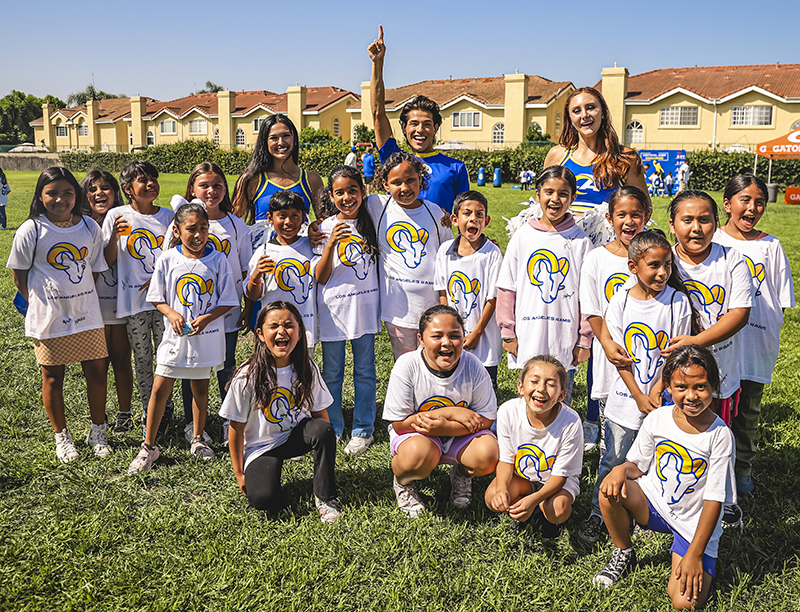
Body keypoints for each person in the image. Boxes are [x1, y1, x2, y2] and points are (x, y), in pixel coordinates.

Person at [593, 345, 735, 611]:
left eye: (700, 387)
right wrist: (620, 470)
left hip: (693, 523)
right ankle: (624, 551)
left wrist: (693, 554)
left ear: (714, 386)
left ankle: (690, 552)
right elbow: (637, 465)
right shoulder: (657, 419)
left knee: (684, 603)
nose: (691, 396)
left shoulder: (720, 435)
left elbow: (715, 501)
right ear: (668, 386)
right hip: (654, 504)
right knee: (609, 490)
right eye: (681, 387)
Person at [579, 229, 697, 544]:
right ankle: (598, 513)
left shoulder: (677, 303)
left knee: (657, 459)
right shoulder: (619, 302)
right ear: (634, 267)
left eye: (667, 266)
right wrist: (638, 394)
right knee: (613, 458)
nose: (662, 273)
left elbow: (678, 356)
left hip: (662, 401)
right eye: (654, 265)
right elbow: (618, 357)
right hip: (624, 399)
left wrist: (657, 389)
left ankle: (650, 511)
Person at [7, 167, 109, 462]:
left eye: (67, 192)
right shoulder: (32, 230)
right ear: (40, 196)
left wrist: (79, 299)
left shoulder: (89, 227)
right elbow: (19, 277)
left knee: (98, 373)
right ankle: (62, 437)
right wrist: (45, 304)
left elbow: (95, 269)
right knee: (53, 378)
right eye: (52, 193)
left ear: (76, 195)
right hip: (50, 319)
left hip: (87, 315)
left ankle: (97, 431)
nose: (61, 199)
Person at [127, 202, 239, 473]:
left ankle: (198, 439)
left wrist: (208, 318)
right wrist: (172, 314)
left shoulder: (217, 260)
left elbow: (228, 300)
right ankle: (149, 446)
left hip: (206, 338)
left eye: (204, 228)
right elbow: (157, 297)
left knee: (200, 389)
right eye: (192, 229)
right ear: (176, 230)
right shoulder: (168, 259)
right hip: (175, 340)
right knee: (160, 389)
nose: (199, 234)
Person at [665, 189, 753, 529]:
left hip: (721, 372)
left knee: (718, 435)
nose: (696, 228)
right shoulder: (663, 261)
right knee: (678, 434)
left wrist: (696, 342)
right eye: (687, 220)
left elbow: (739, 314)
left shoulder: (732, 260)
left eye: (704, 220)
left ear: (717, 224)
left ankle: (725, 500)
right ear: (673, 225)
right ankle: (677, 495)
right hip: (671, 374)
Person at [220, 301, 341, 523]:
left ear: (300, 333)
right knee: (264, 501)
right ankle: (267, 477)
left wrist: (325, 449)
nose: (281, 331)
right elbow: (235, 428)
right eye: (273, 326)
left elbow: (321, 415)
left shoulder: (307, 367)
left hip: (295, 435)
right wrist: (239, 474)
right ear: (260, 333)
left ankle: (325, 498)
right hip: (262, 446)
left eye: (288, 325)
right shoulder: (248, 375)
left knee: (323, 429)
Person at [715, 175, 794, 497]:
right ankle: (713, 468)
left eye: (759, 201)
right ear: (728, 204)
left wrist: (765, 334)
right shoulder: (713, 240)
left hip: (754, 343)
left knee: (747, 410)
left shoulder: (771, 246)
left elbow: (781, 301)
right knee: (714, 407)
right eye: (744, 200)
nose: (752, 207)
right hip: (718, 344)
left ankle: (742, 467)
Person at [384, 305, 499, 516]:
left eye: (454, 336)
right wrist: (452, 413)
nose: (446, 342)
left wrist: (447, 427)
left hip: (459, 435)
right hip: (418, 436)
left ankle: (462, 474)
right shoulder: (407, 365)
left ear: (463, 338)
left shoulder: (473, 366)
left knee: (488, 454)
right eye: (436, 336)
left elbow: (486, 419)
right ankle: (404, 482)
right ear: (420, 338)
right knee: (417, 456)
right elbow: (399, 423)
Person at [496, 165, 593, 404]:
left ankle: (561, 440)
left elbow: (587, 297)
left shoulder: (581, 241)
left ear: (573, 197)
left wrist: (584, 339)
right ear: (537, 194)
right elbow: (507, 286)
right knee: (530, 395)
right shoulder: (522, 236)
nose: (555, 199)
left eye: (563, 193)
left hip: (565, 337)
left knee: (560, 396)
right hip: (529, 334)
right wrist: (508, 331)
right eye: (549, 192)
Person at [174, 163, 252, 445]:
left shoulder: (235, 224)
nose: (211, 191)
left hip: (226, 311)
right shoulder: (182, 223)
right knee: (192, 366)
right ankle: (192, 423)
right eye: (204, 185)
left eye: (217, 185)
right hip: (193, 313)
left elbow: (244, 270)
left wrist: (247, 305)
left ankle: (228, 421)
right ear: (192, 189)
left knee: (226, 366)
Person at [102, 160, 175, 437]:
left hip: (165, 303)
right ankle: (149, 410)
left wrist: (158, 279)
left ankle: (164, 407)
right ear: (127, 188)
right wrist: (113, 237)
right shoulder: (117, 215)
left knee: (166, 356)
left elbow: (175, 257)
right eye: (142, 180)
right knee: (143, 357)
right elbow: (108, 261)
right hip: (133, 303)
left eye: (153, 178)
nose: (150, 183)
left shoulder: (169, 216)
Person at [578, 186, 651, 456]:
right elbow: (593, 310)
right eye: (622, 214)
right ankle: (608, 479)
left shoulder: (655, 257)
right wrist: (607, 344)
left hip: (647, 353)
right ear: (609, 218)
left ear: (647, 216)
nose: (629, 221)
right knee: (613, 428)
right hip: (609, 355)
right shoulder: (596, 258)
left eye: (636, 214)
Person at [314, 166, 381, 453]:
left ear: (362, 191)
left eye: (352, 190)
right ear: (331, 195)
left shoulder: (374, 219)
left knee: (365, 370)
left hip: (365, 310)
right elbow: (321, 276)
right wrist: (329, 243)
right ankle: (335, 426)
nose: (347, 197)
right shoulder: (322, 228)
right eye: (339, 192)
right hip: (333, 313)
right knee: (333, 372)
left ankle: (364, 428)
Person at [368, 25, 469, 213]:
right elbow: (377, 112)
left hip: (438, 243)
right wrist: (377, 64)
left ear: (436, 128)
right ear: (404, 128)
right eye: (413, 124)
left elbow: (465, 213)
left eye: (427, 124)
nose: (420, 130)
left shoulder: (456, 168)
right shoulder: (394, 158)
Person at [486, 355, 583, 539]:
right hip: (522, 476)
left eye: (550, 384)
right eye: (534, 381)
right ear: (521, 387)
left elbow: (561, 476)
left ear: (562, 395)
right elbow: (506, 460)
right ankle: (525, 506)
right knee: (492, 496)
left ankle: (545, 515)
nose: (541, 389)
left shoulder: (570, 422)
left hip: (556, 481)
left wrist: (534, 500)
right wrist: (502, 490)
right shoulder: (508, 411)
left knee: (558, 509)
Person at [366, 151, 448, 359]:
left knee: (432, 359)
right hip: (398, 310)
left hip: (431, 307)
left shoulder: (436, 213)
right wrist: (315, 227)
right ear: (385, 185)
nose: (405, 188)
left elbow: (449, 253)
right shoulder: (376, 206)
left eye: (411, 180)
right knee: (404, 362)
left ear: (420, 178)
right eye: (397, 182)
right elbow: (344, 210)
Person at [81, 170, 134, 435]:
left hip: (120, 302)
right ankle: (98, 421)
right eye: (92, 188)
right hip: (90, 306)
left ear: (117, 192)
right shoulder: (79, 223)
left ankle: (125, 414)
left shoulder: (127, 218)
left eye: (105, 187)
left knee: (122, 360)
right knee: (97, 365)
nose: (99, 192)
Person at [544, 86, 648, 215]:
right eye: (576, 111)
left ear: (603, 111)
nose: (584, 115)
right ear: (569, 118)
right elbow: (541, 202)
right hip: (563, 234)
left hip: (608, 234)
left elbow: (644, 207)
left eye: (591, 107)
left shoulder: (626, 157)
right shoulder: (557, 155)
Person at [434, 190, 502, 387]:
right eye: (467, 213)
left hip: (484, 341)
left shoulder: (492, 253)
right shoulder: (444, 251)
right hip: (454, 338)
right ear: (455, 220)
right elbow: (442, 294)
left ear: (486, 221)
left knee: (484, 390)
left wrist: (476, 333)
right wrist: (450, 330)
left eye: (479, 214)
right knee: (454, 387)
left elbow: (493, 298)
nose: (474, 218)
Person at [246, 191, 317, 348]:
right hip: (272, 333)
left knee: (301, 371)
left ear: (304, 217)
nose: (288, 222)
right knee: (270, 371)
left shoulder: (312, 247)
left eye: (295, 216)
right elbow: (252, 294)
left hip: (305, 330)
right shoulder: (263, 251)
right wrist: (256, 275)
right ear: (270, 218)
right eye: (282, 215)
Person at [231, 114, 325, 223]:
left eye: (286, 135)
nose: (281, 142)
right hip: (262, 240)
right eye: (273, 138)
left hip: (300, 240)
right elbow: (232, 221)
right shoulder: (251, 179)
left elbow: (325, 222)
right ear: (264, 142)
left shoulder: (312, 180)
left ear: (294, 139)